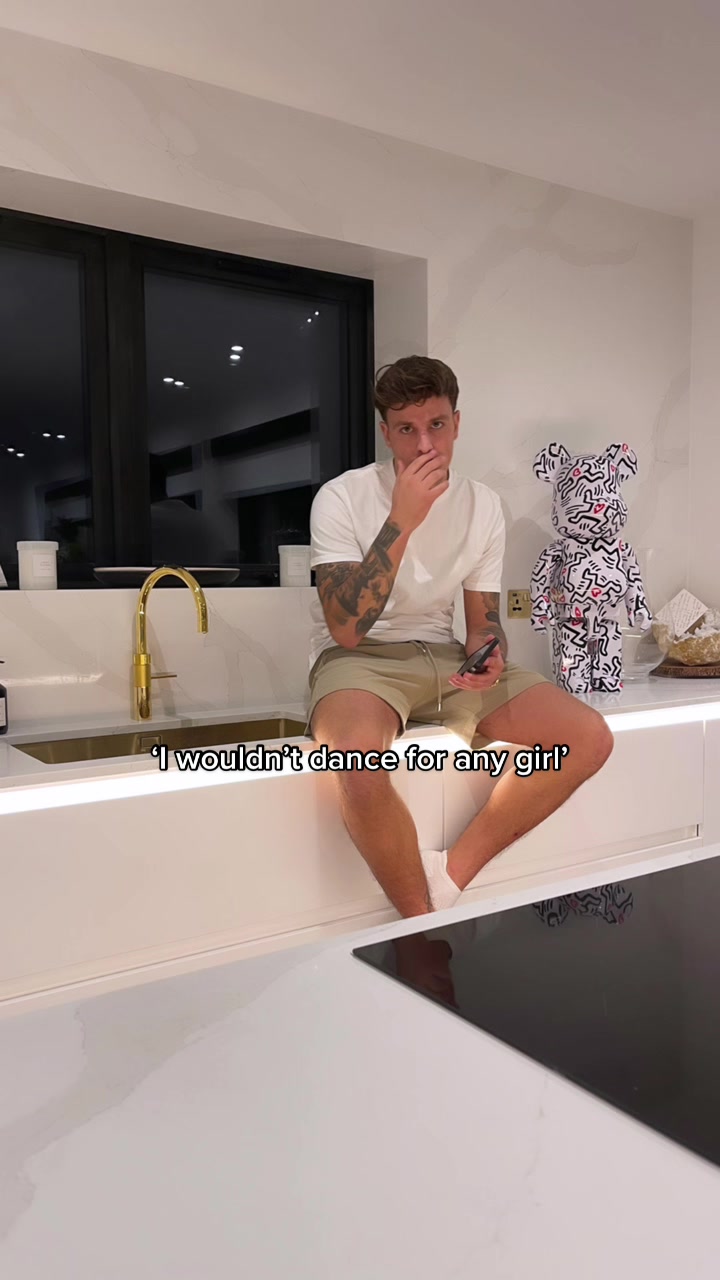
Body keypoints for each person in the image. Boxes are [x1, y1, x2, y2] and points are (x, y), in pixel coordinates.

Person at [307, 356, 613, 921]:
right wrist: (402, 520)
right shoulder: (341, 497)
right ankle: (421, 929)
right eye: (407, 429)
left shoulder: (483, 505)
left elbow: (482, 622)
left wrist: (489, 653)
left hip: (445, 657)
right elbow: (346, 628)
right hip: (361, 660)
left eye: (437, 425)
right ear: (385, 432)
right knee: (353, 758)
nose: (425, 444)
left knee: (588, 736)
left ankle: (448, 880)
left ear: (457, 423)